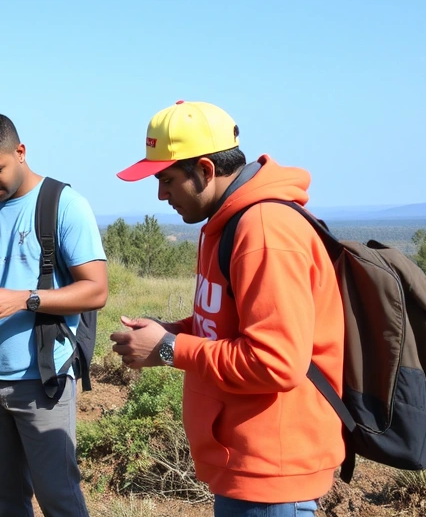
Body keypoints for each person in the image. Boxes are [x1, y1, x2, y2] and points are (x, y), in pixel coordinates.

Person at [110, 100, 345, 517]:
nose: (160, 194)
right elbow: (227, 322)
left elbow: (276, 362)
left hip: (271, 480)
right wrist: (171, 330)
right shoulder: (224, 223)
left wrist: (168, 348)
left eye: (167, 179)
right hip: (246, 467)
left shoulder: (264, 231)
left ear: (204, 170)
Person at [0, 113, 108, 517]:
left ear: (21, 152)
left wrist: (24, 300)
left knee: (59, 498)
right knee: (3, 499)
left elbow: (96, 289)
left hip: (43, 380)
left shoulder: (64, 205)